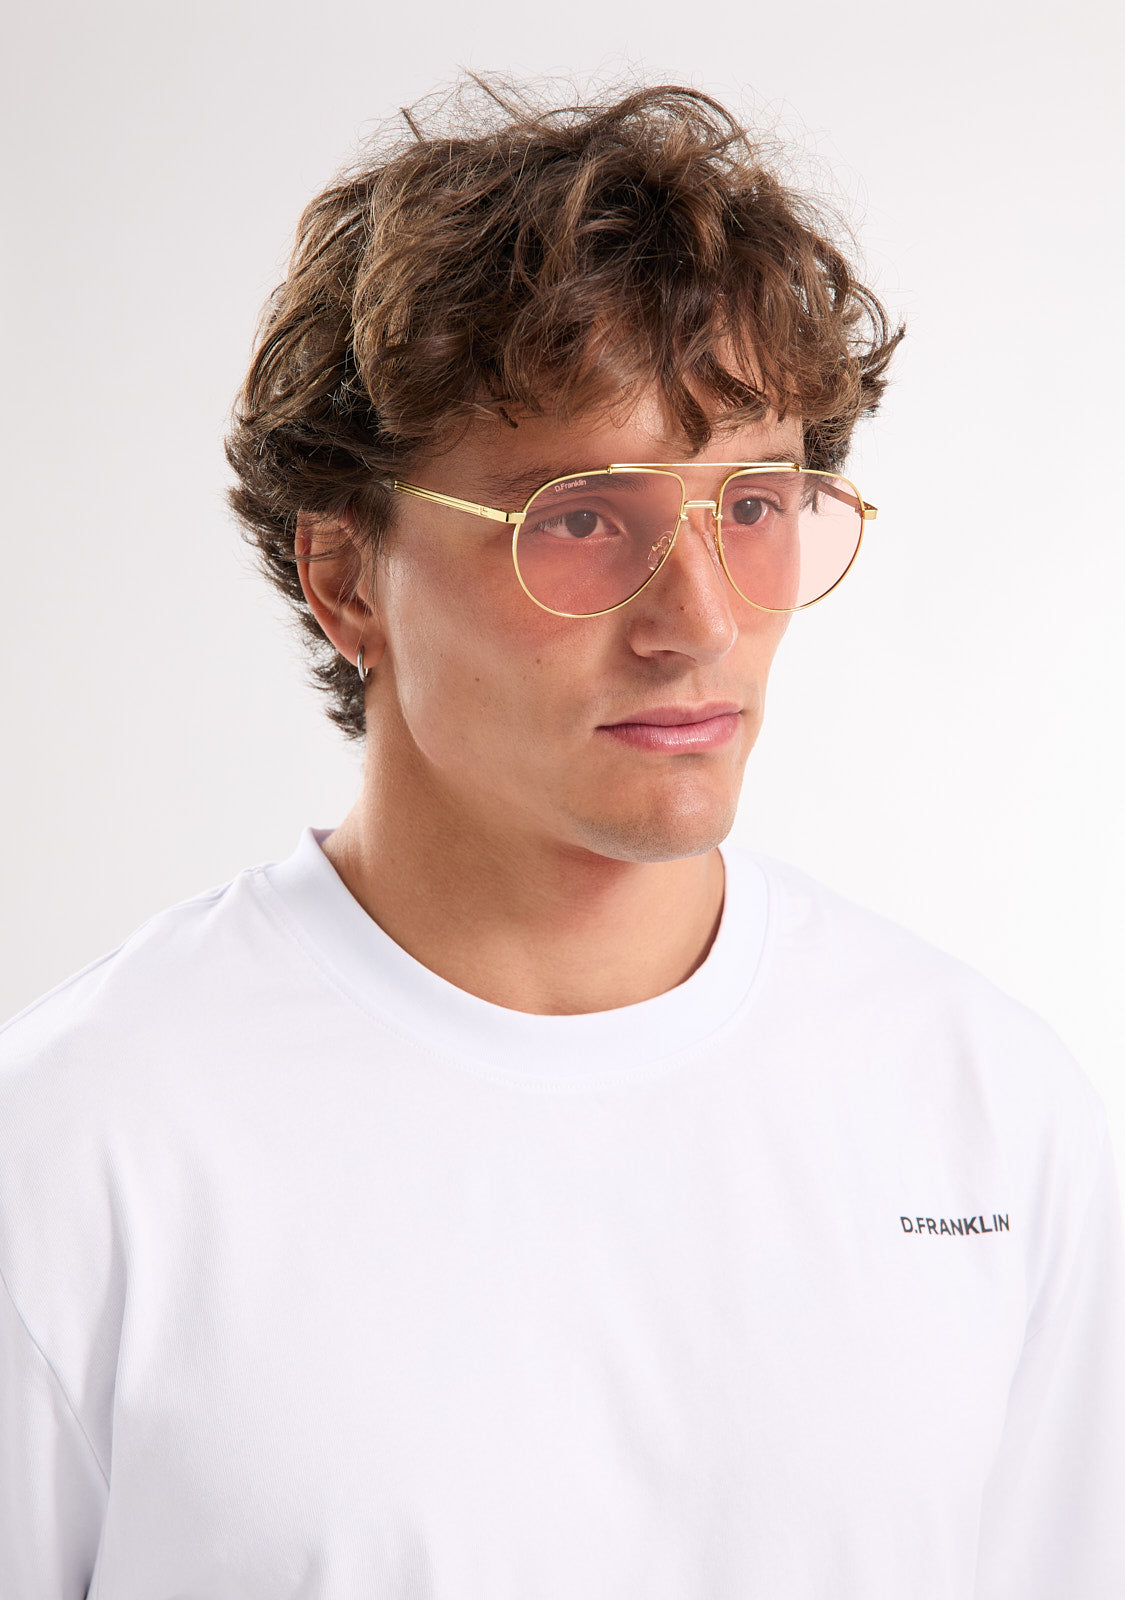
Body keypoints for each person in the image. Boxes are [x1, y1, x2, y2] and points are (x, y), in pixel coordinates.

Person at [1, 78, 1122, 1600]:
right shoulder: (77, 1151)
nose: (699, 623)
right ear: (345, 579)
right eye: (584, 519)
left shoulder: (988, 1113)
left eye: (753, 505)